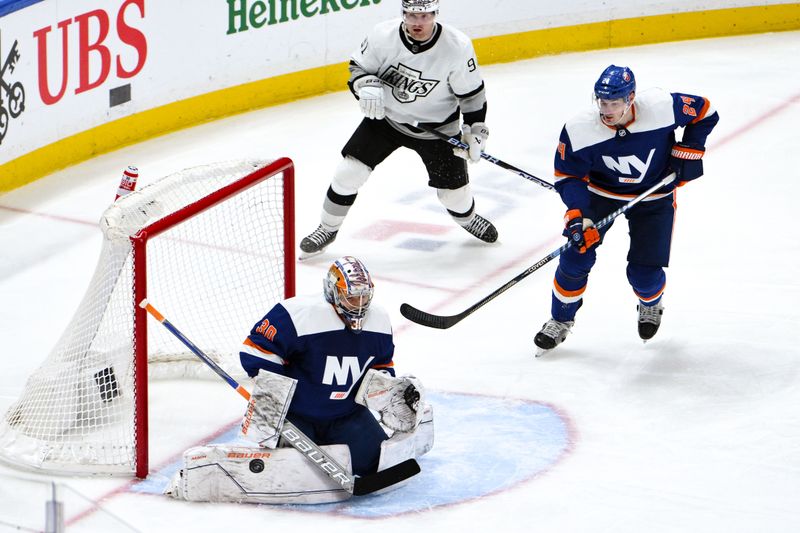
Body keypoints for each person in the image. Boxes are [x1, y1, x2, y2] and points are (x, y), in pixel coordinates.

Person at [166, 256, 433, 504]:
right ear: (333, 292)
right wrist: (274, 405)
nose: (359, 305)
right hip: (297, 416)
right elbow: (255, 351)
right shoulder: (298, 314)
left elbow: (382, 365)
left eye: (364, 297)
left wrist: (387, 392)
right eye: (352, 298)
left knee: (376, 463)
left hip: (348, 415)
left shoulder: (379, 320)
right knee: (286, 474)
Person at [534, 65, 719, 353]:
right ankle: (560, 320)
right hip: (600, 194)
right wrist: (578, 215)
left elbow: (705, 111)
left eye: (614, 103)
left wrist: (691, 149)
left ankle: (651, 304)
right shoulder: (579, 128)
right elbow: (568, 176)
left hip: (654, 196)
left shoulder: (662, 107)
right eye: (602, 102)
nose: (606, 110)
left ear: (631, 98)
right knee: (575, 256)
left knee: (643, 276)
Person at [299, 0, 497, 258]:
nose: (418, 22)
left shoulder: (457, 47)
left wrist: (475, 131)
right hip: (386, 121)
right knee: (348, 174)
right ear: (403, 13)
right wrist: (364, 84)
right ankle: (327, 228)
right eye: (412, 15)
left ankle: (468, 217)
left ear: (436, 14)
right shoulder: (382, 35)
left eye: (425, 15)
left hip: (438, 130)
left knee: (454, 198)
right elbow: (357, 68)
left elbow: (471, 96)